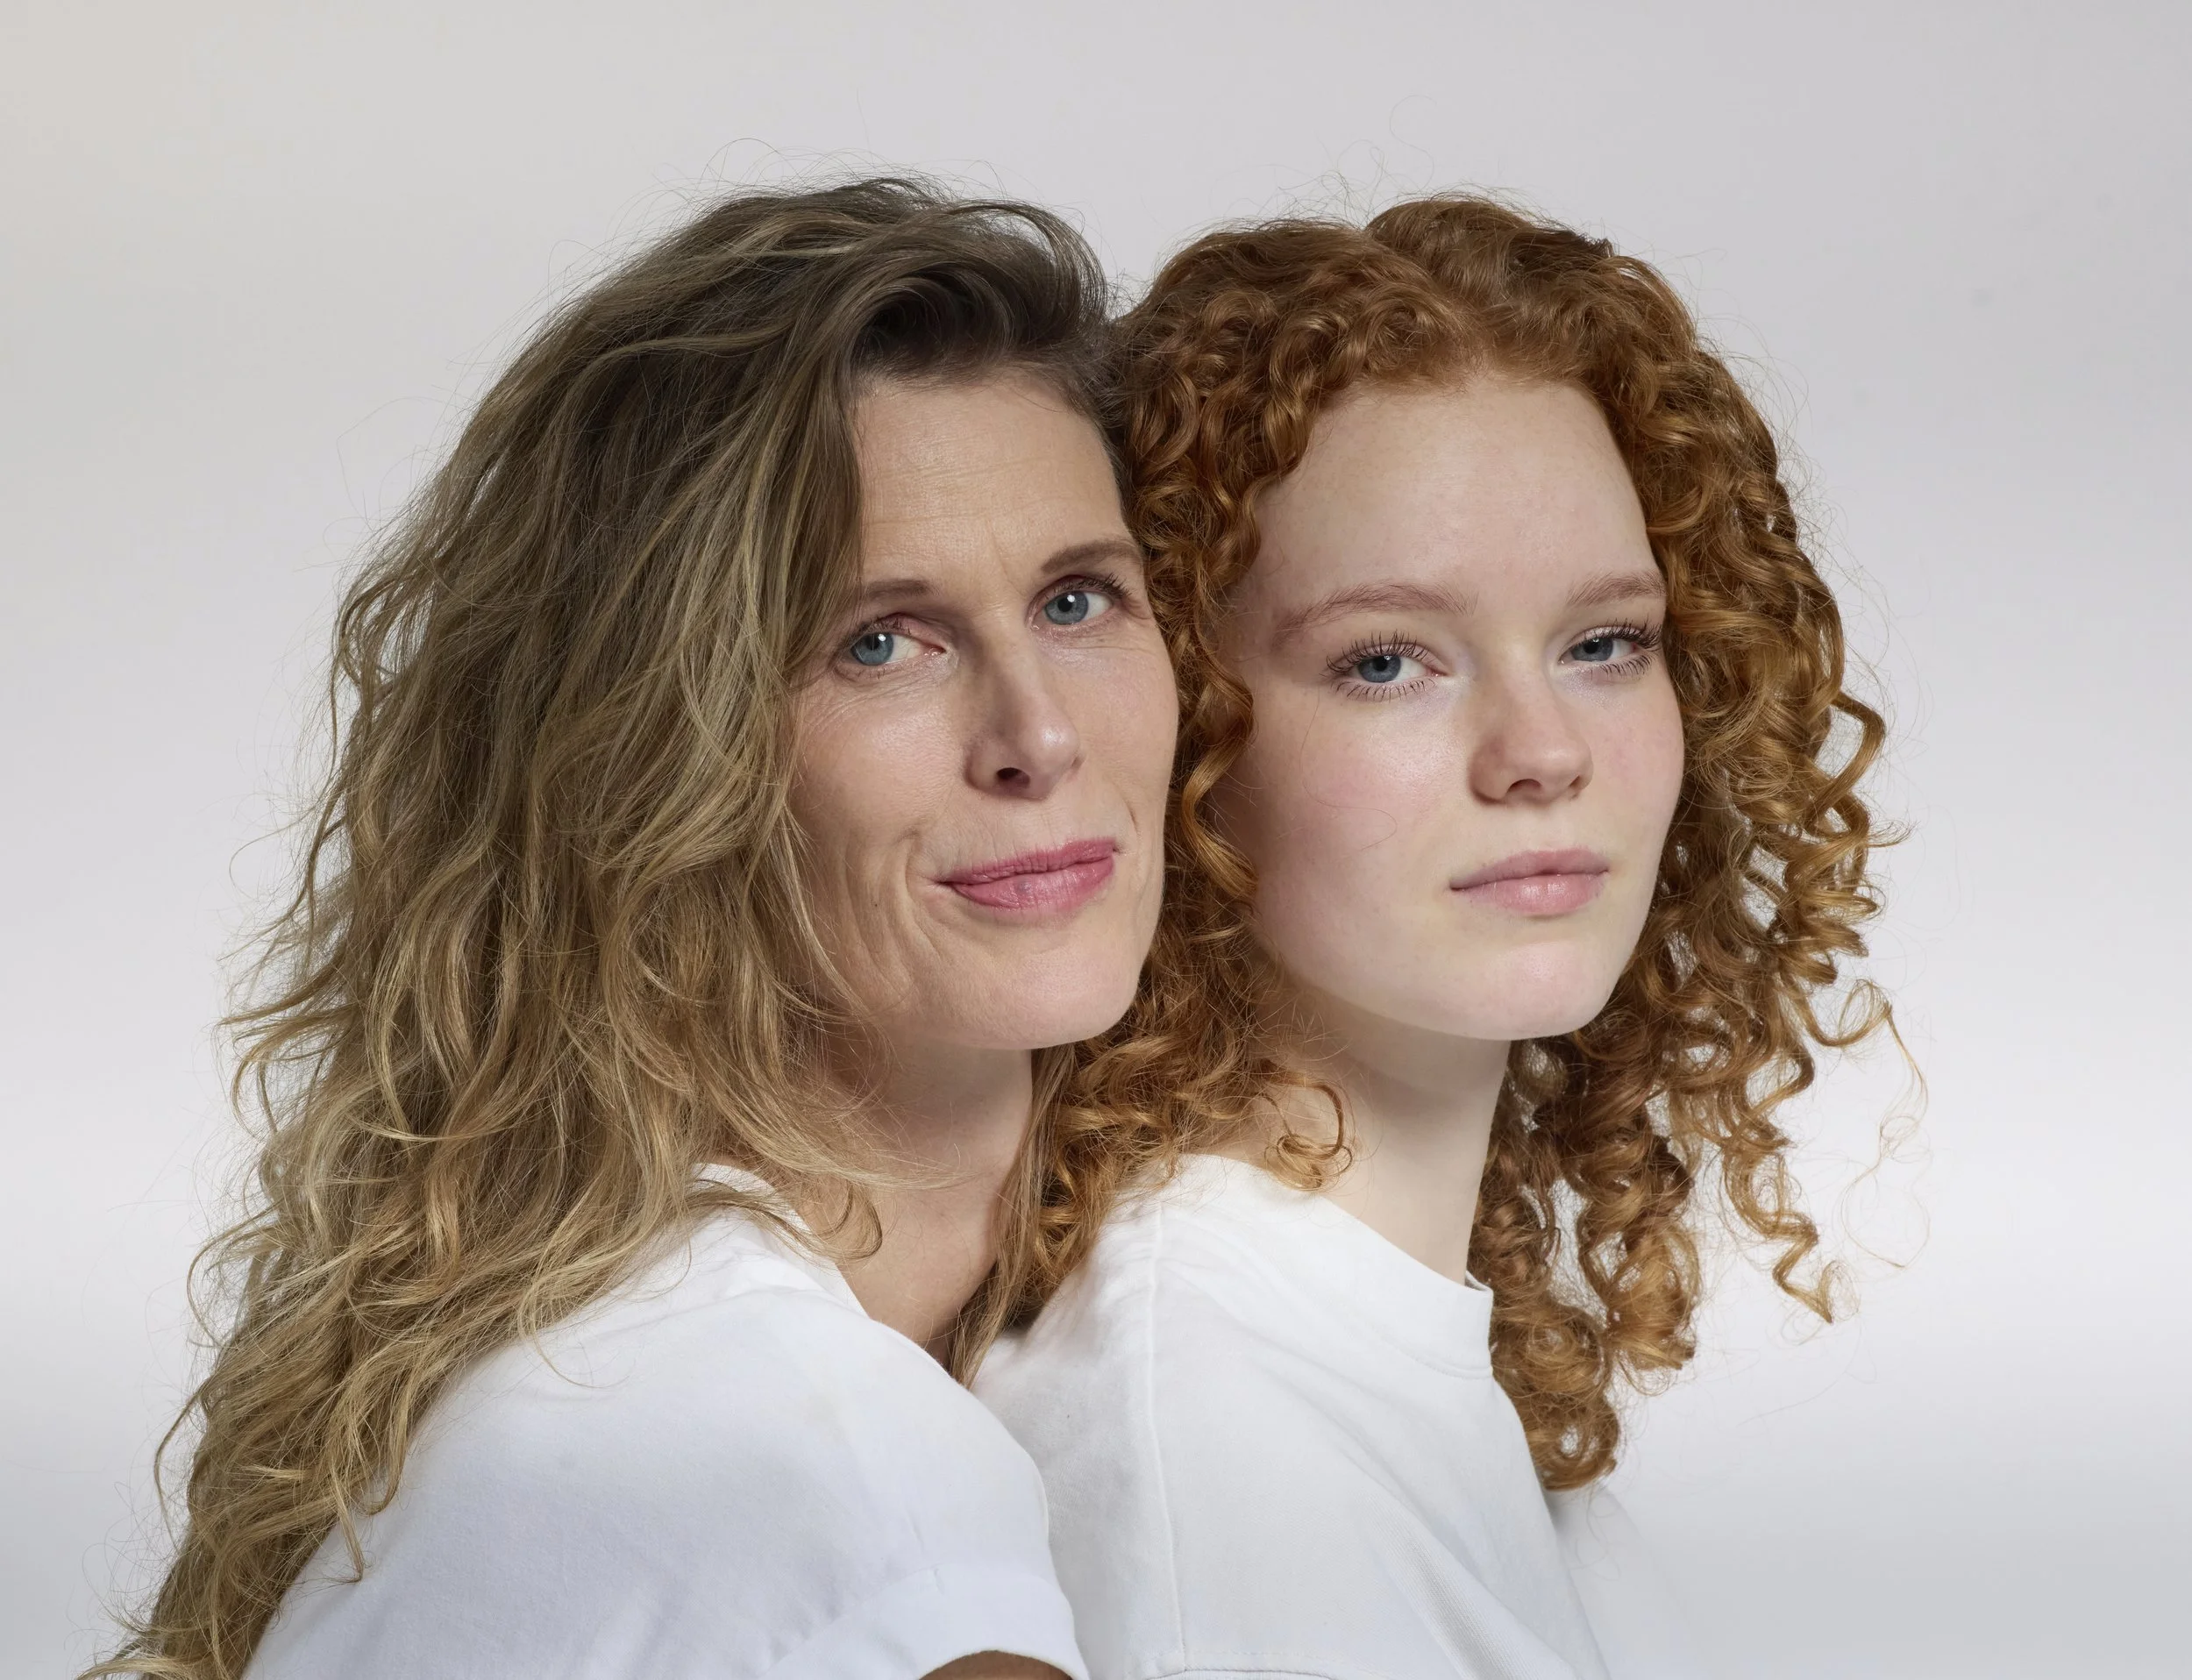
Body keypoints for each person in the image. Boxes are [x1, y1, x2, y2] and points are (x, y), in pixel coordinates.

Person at [91, 178, 1178, 1680]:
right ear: (664, 751)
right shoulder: (840, 1491)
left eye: (1078, 601)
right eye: (880, 641)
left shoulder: (639, 1344)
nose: (1038, 736)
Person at [979, 196, 1901, 1679]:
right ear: (1181, 720)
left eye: (1605, 643)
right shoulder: (1216, 1446)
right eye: (1387, 662)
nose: (1542, 752)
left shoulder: (1393, 1343)